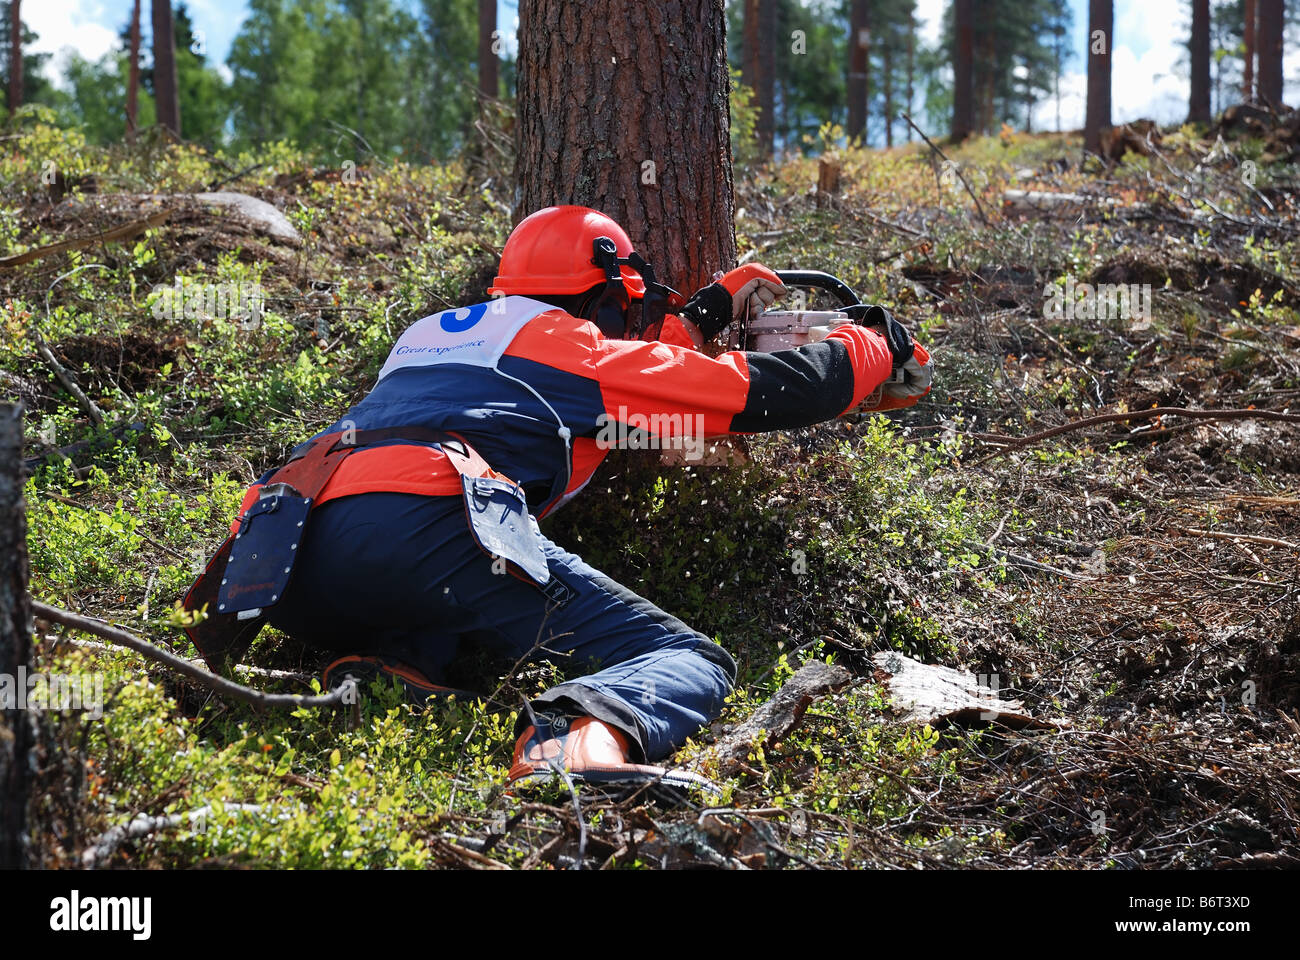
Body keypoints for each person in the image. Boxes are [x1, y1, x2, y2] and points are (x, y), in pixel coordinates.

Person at [184, 205, 932, 791]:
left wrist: (700, 318)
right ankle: (571, 754)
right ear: (604, 296)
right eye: (623, 307)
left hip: (289, 555)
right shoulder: (567, 348)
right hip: (421, 529)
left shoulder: (427, 335)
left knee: (430, 603)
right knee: (687, 658)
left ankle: (376, 671)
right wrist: (872, 345)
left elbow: (610, 387)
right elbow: (760, 393)